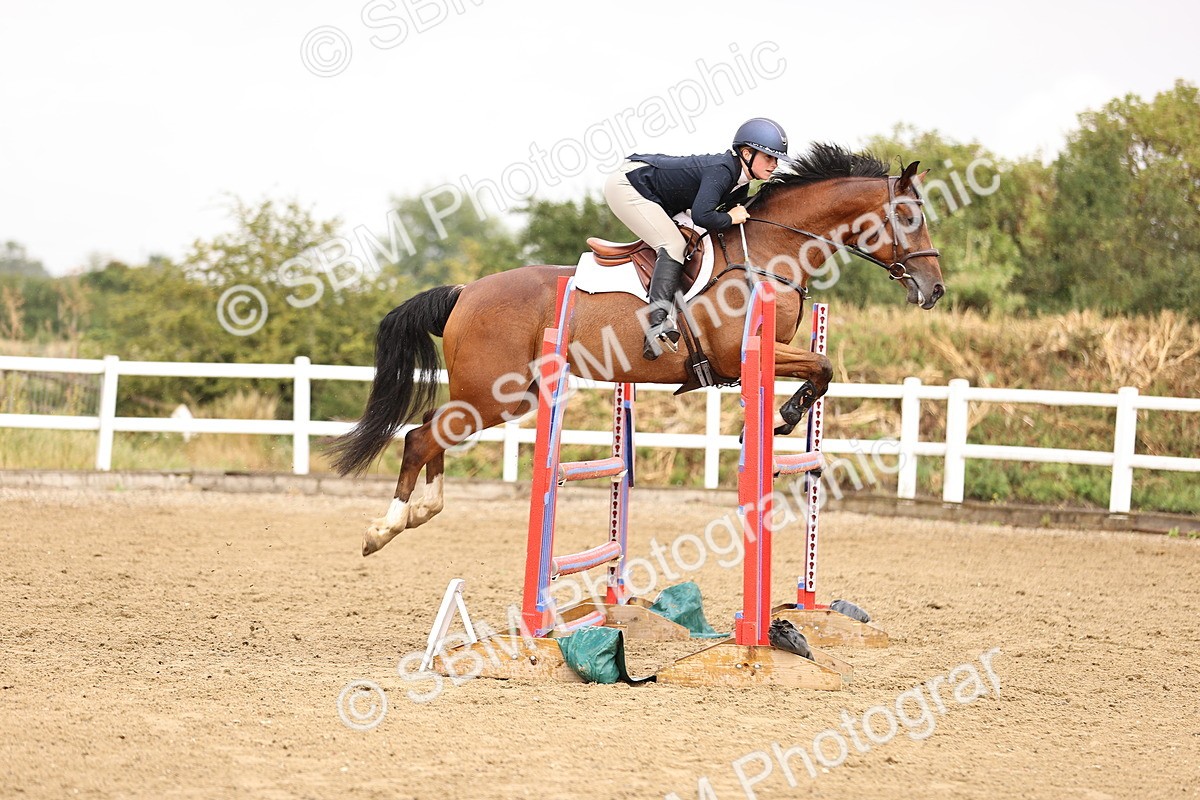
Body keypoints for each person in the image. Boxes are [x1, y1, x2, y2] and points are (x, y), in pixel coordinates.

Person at [603, 117, 789, 360]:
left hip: (657, 194)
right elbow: (703, 216)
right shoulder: (723, 171)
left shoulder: (741, 183)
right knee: (673, 244)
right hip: (628, 186)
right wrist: (731, 218)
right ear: (746, 153)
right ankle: (656, 325)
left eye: (776, 159)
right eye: (769, 157)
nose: (774, 164)